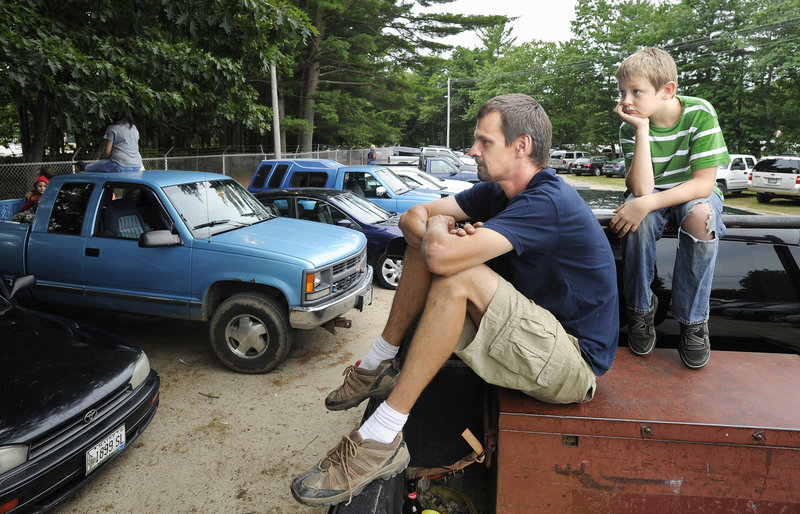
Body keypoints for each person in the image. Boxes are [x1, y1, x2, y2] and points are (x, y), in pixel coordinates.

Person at [290, 93, 619, 507]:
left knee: (453, 274)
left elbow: (441, 254)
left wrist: (441, 236)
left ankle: (382, 438)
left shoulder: (548, 201)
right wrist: (440, 232)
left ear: (522, 146)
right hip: (537, 339)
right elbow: (411, 218)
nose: (471, 150)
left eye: (484, 142)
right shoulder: (496, 192)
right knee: (423, 250)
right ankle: (379, 361)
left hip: (573, 362)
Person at [608, 47, 729, 369]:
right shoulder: (630, 126)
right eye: (622, 92)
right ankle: (640, 310)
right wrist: (642, 130)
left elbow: (703, 185)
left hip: (693, 191)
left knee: (702, 217)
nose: (626, 101)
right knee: (638, 223)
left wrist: (646, 203)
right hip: (654, 191)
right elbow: (642, 189)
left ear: (667, 90)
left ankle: (692, 323)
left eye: (636, 91)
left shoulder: (699, 112)